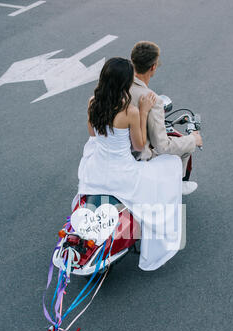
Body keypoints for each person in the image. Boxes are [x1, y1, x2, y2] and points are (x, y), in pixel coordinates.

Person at [77, 57, 186, 271]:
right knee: (170, 164)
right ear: (126, 83)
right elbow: (138, 145)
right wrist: (144, 110)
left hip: (95, 170)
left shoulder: (93, 102)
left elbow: (92, 133)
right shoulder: (129, 111)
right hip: (122, 174)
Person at [130, 41, 203, 195]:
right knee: (184, 146)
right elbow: (162, 146)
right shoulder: (153, 100)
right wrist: (193, 140)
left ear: (132, 61)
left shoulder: (118, 86)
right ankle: (179, 184)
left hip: (114, 149)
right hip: (138, 154)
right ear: (153, 67)